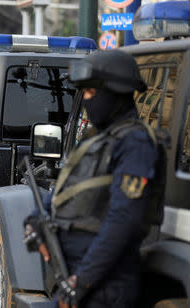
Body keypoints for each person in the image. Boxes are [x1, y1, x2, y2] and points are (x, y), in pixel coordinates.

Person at [24, 49, 164, 308]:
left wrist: (82, 280)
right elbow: (65, 190)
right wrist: (35, 221)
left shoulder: (136, 143)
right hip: (71, 274)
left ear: (114, 93)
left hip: (103, 283)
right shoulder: (95, 139)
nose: (87, 101)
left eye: (90, 93)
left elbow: (123, 220)